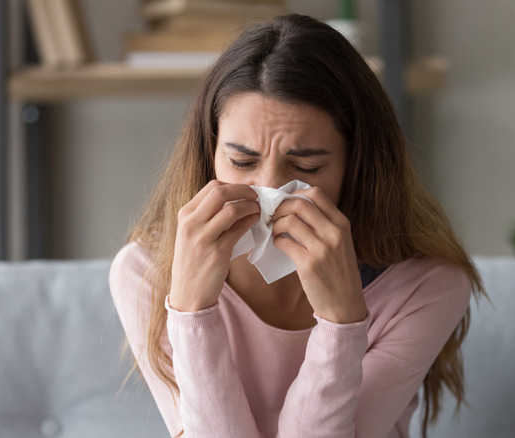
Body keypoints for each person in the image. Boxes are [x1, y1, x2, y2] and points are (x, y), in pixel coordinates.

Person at [109, 13, 484, 438]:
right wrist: (192, 313)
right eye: (242, 161)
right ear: (210, 153)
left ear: (357, 166)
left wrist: (342, 323)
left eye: (305, 166)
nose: (269, 189)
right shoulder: (146, 273)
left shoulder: (426, 285)